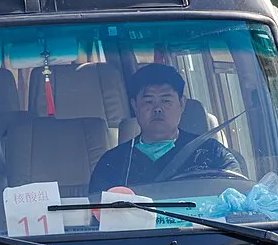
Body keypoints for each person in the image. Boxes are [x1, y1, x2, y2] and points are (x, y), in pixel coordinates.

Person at [88, 63, 244, 193]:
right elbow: (98, 215)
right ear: (135, 105)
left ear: (182, 104)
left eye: (166, 101)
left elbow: (240, 199)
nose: (157, 109)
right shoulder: (112, 162)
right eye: (149, 101)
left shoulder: (212, 153)